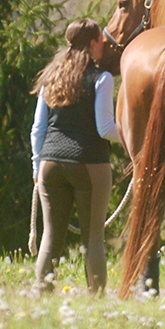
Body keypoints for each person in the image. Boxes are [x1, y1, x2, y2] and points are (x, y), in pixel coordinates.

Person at [30, 18, 120, 293]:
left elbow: (38, 129)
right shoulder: (101, 79)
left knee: (50, 237)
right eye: (102, 42)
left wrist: (36, 168)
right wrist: (133, 135)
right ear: (93, 44)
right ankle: (96, 301)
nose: (105, 46)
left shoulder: (50, 77)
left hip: (50, 164)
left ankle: (41, 295)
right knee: (94, 238)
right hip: (89, 163)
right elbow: (105, 129)